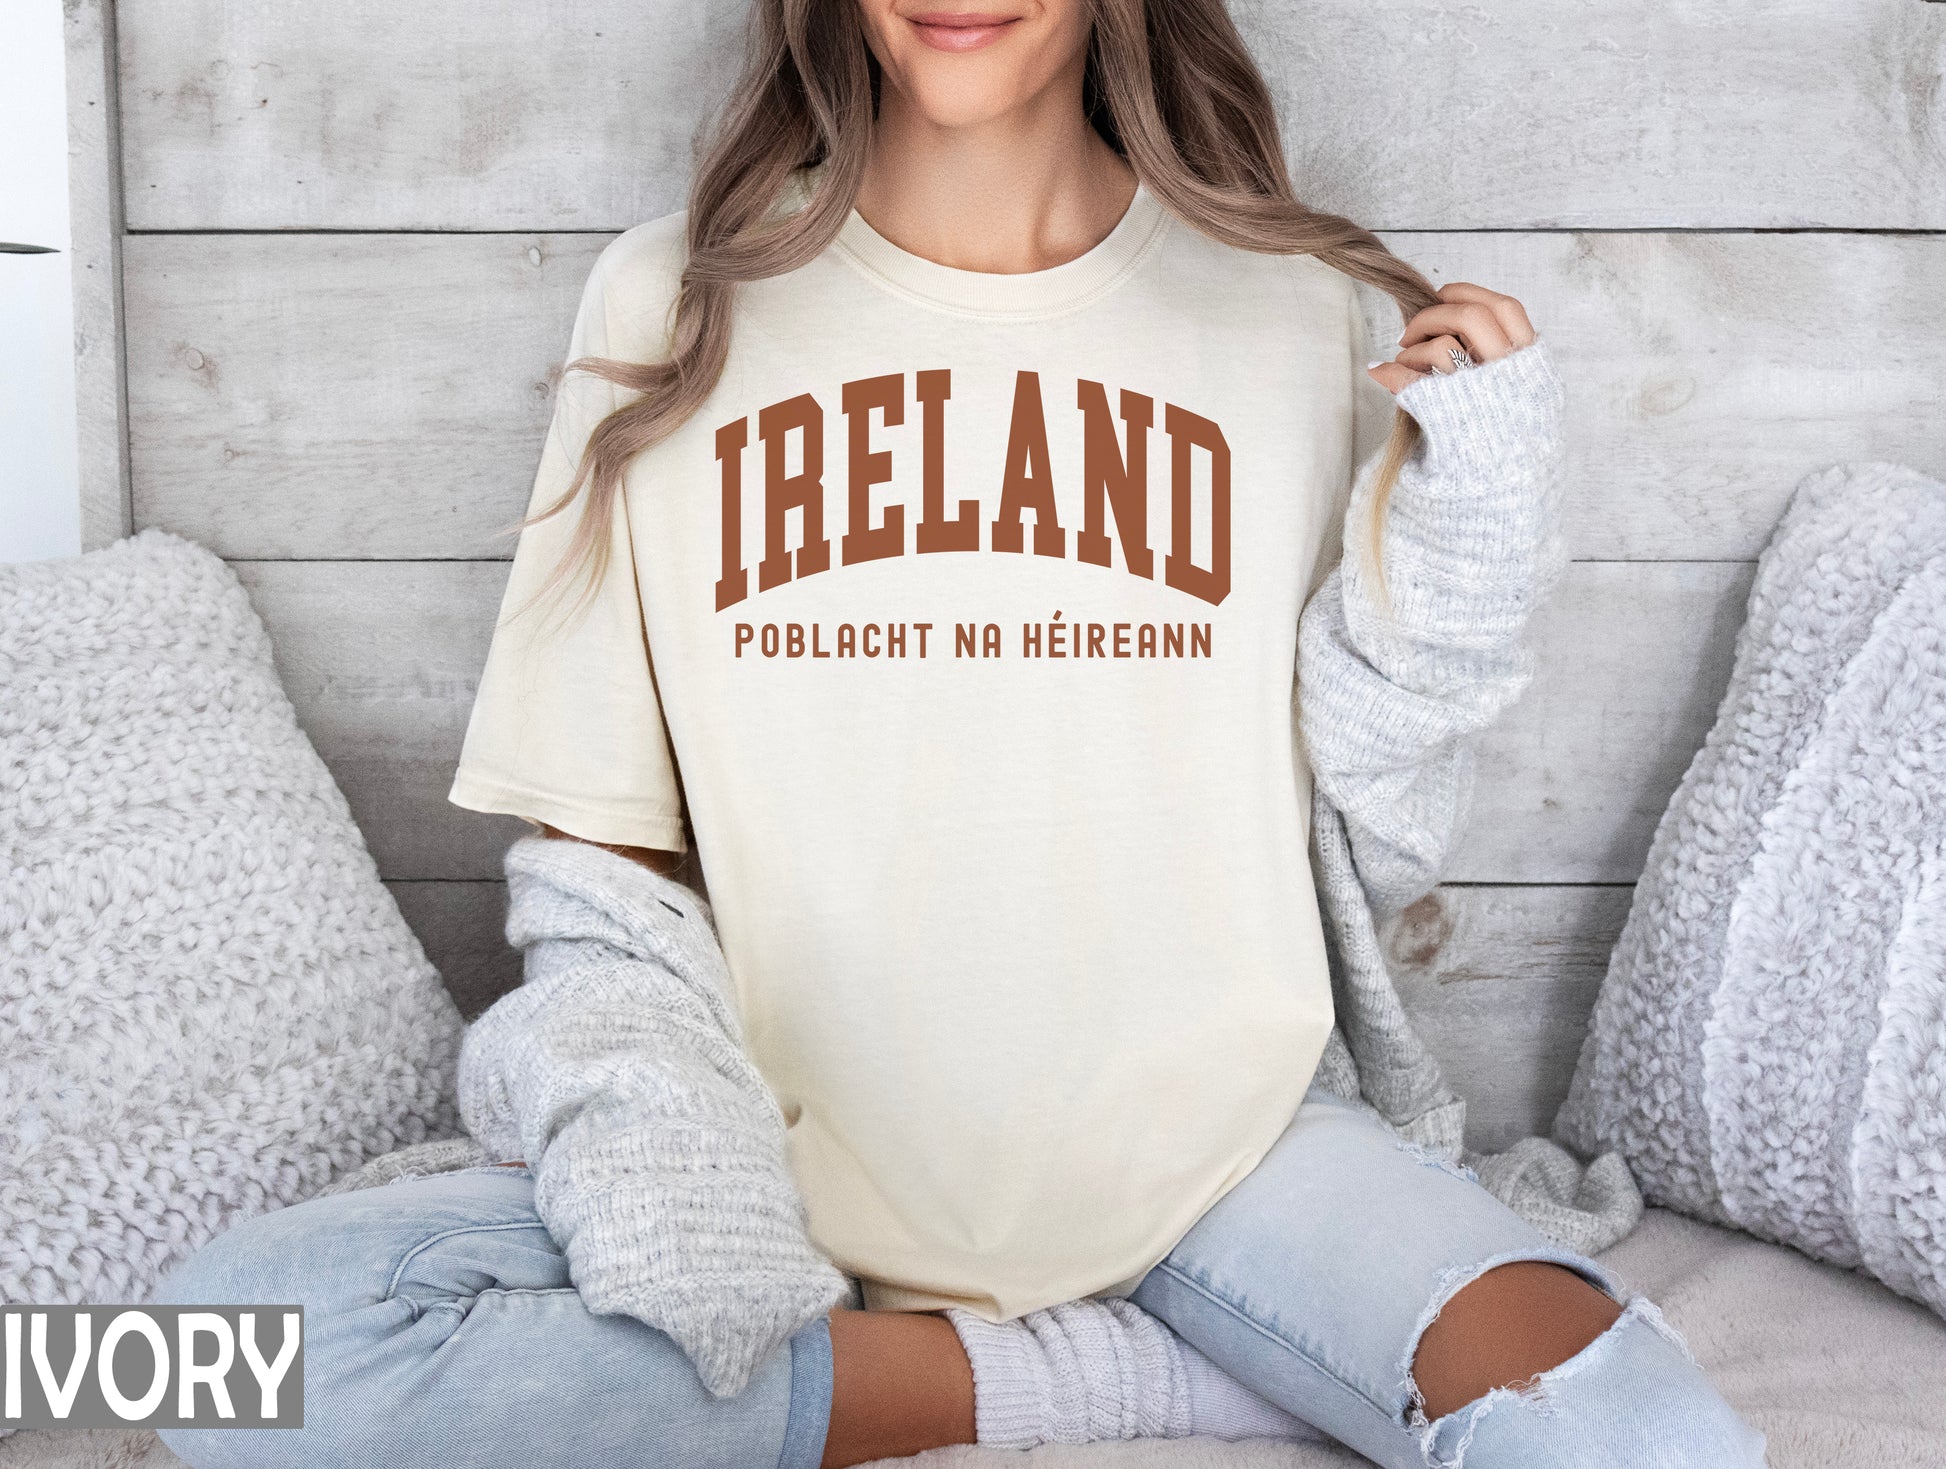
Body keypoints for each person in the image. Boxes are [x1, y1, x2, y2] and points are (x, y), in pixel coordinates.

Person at [156, 3, 1770, 1466]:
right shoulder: (672, 301)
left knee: (1645, 1439)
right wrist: (662, 1166)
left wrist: (1474, 547)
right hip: (776, 1165)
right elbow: (598, 848)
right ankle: (1108, 1372)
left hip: (1223, 1163)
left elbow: (1376, 794)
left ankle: (1095, 1344)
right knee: (176, 1365)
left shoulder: (1303, 309)